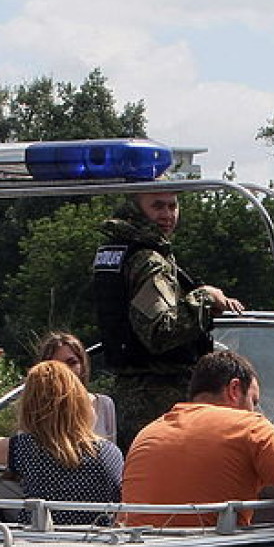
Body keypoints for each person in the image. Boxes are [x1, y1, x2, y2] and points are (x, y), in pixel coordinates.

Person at [91, 190, 245, 449]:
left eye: (172, 206)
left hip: (129, 394)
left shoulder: (112, 252)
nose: (167, 214)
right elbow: (160, 331)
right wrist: (206, 298)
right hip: (158, 399)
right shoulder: (148, 260)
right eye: (157, 206)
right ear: (136, 208)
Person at [120, 349, 274, 528]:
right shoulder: (249, 426)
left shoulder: (148, 432)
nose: (256, 410)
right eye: (254, 401)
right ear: (234, 389)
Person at [0, 336, 122, 525]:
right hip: (93, 546)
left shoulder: (26, 449)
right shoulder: (110, 453)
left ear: (31, 405)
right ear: (84, 405)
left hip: (38, 544)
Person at [36, 331, 118, 441]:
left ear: (82, 365)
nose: (65, 371)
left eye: (71, 363)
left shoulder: (104, 404)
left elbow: (112, 453)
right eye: (57, 365)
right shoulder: (36, 411)